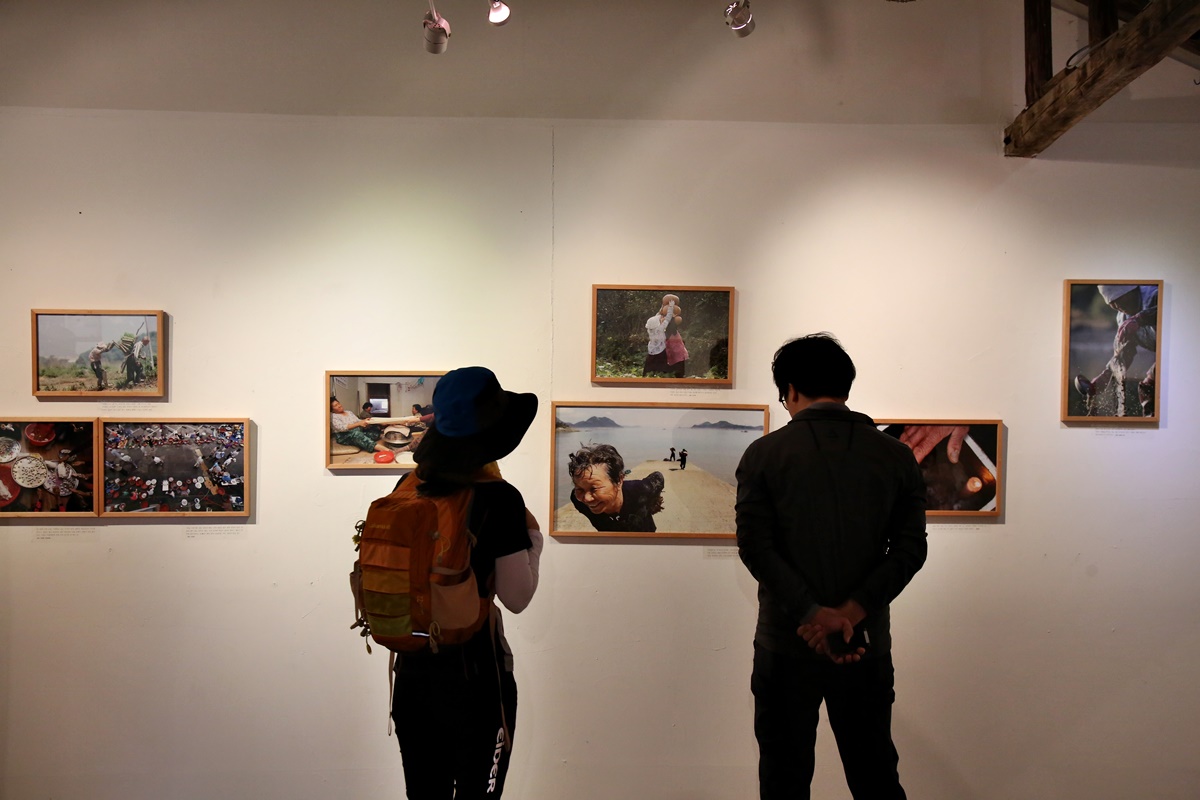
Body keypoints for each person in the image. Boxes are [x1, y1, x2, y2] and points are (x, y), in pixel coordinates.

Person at [735, 333, 928, 800]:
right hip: (864, 643)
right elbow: (909, 550)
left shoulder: (764, 454)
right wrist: (850, 614)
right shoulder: (896, 455)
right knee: (876, 777)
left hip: (785, 640)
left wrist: (812, 614)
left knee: (783, 781)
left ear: (790, 390)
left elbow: (755, 547)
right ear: (845, 385)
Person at [390, 366, 543, 800]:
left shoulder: (408, 485)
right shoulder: (501, 498)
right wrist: (534, 541)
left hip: (412, 673)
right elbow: (517, 597)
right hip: (475, 676)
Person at [1073, 283, 1159, 416]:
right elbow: (1125, 352)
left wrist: (1140, 319)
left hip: (1182, 347)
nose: (1118, 306)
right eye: (1112, 304)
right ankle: (1152, 422)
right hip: (1165, 357)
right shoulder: (1124, 318)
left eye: (1119, 300)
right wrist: (1107, 375)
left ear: (1131, 291)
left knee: (1152, 384)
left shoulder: (1154, 295)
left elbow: (1170, 311)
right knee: (1147, 388)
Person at [567, 443, 665, 533]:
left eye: (594, 489)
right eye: (580, 489)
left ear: (619, 480)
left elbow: (658, 477)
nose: (587, 498)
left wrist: (653, 502)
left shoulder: (640, 490)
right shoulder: (578, 500)